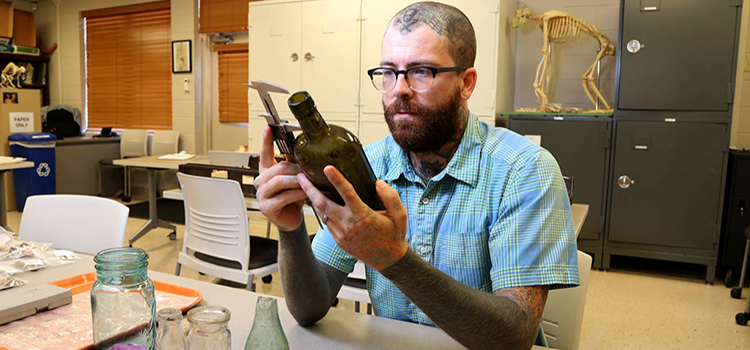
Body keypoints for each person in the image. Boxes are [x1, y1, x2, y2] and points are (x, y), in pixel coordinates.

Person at [254, 2, 579, 349]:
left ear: (466, 83)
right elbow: (309, 309)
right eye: (389, 72)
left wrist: (394, 258)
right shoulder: (369, 164)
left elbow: (514, 336)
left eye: (421, 71)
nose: (399, 88)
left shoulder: (524, 170)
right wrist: (290, 230)